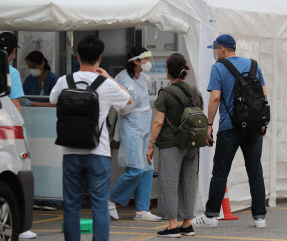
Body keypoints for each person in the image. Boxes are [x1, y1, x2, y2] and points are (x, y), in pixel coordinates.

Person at [49, 35, 132, 241]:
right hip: (98, 152)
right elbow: (128, 103)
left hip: (69, 151)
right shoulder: (106, 84)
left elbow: (52, 100)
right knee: (99, 205)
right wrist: (110, 78)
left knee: (71, 205)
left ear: (78, 56)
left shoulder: (64, 81)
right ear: (100, 58)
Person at [192, 34, 268, 228]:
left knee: (220, 172)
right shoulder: (253, 65)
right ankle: (260, 218)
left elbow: (215, 98)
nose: (214, 53)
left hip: (229, 127)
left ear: (223, 49)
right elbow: (263, 95)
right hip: (253, 127)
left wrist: (208, 125)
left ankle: (210, 216)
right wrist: (262, 122)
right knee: (255, 171)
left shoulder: (218, 67)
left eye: (215, 49)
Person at [146, 53, 204, 237]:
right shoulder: (196, 92)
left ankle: (172, 226)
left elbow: (158, 122)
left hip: (171, 144)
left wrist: (150, 144)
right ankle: (187, 224)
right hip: (192, 144)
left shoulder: (165, 93)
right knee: (188, 182)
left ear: (167, 70)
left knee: (169, 183)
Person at [108, 47, 161, 222]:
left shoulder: (145, 78)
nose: (148, 62)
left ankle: (142, 209)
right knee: (135, 168)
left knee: (147, 167)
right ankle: (111, 200)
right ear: (136, 61)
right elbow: (122, 106)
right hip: (130, 126)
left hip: (145, 125)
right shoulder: (122, 78)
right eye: (145, 59)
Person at [0, 32, 36, 239]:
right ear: (12, 52)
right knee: (19, 174)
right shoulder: (11, 72)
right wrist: (21, 130)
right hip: (10, 130)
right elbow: (15, 103)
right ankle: (22, 226)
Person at [0, 32, 24, 114]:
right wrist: (21, 125)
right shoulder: (12, 73)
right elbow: (15, 104)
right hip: (4, 119)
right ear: (14, 50)